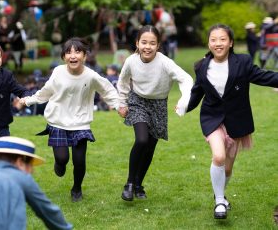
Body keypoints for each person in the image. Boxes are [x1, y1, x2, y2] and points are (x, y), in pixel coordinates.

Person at [186, 24, 278, 220]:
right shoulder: (201, 66)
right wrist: (185, 107)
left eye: (222, 39)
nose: (218, 43)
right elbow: (197, 92)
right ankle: (219, 201)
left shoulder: (242, 62)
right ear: (209, 43)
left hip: (236, 119)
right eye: (213, 39)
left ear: (231, 43)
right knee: (218, 157)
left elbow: (263, 76)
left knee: (227, 168)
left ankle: (220, 192)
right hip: (211, 118)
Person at [20, 37, 119, 202]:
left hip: (80, 123)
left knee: (79, 161)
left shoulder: (91, 76)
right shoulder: (58, 72)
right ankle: (59, 164)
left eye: (77, 52)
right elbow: (46, 91)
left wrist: (118, 106)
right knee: (62, 159)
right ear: (64, 57)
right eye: (68, 52)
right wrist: (28, 100)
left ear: (84, 56)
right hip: (58, 121)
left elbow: (107, 90)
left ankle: (77, 188)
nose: (73, 56)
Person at [117, 25, 193, 201]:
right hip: (137, 101)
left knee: (150, 147)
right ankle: (129, 183)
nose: (147, 46)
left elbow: (186, 79)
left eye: (152, 43)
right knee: (142, 139)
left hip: (158, 104)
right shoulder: (131, 61)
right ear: (137, 43)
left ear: (158, 45)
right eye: (144, 42)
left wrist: (184, 101)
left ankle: (138, 184)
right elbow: (122, 82)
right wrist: (121, 104)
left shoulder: (165, 62)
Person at [0, 136, 72, 230]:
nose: (32, 171)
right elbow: (49, 212)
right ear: (20, 162)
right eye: (31, 165)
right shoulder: (20, 177)